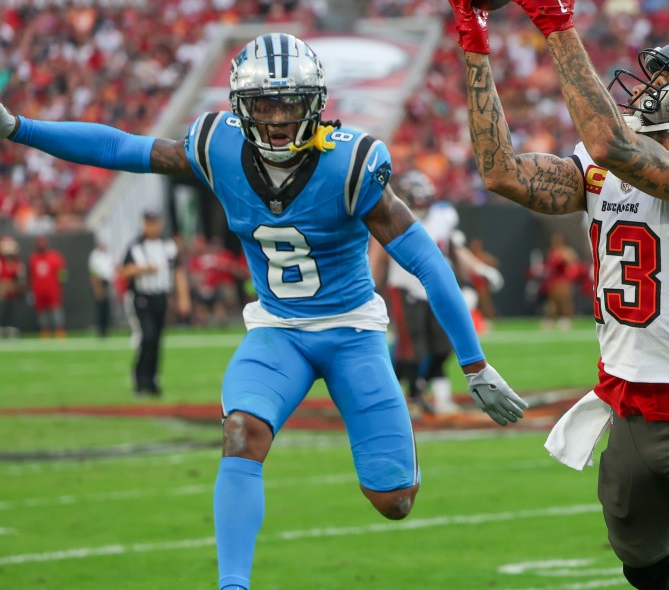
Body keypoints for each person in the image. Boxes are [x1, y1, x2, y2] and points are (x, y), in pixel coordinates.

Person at [0, 31, 526, 590]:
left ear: (317, 104)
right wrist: (17, 129)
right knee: (241, 430)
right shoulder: (215, 147)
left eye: (291, 102)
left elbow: (428, 262)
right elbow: (122, 148)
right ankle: (233, 585)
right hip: (278, 330)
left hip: (352, 331)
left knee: (393, 500)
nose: (277, 118)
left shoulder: (351, 163)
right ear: (240, 107)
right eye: (265, 104)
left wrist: (475, 364)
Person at [444, 0, 669, 589]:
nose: (645, 89)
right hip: (628, 412)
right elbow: (501, 172)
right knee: (645, 572)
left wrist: (558, 28)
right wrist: (474, 41)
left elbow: (613, 144)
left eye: (661, 83)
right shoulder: (602, 165)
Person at [383, 170, 462, 416]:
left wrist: (471, 277)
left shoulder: (444, 216)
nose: (419, 203)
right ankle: (407, 395)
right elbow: (376, 257)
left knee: (443, 346)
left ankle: (425, 391)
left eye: (422, 198)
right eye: (414, 199)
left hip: (435, 290)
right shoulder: (392, 216)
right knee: (412, 346)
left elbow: (455, 250)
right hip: (405, 287)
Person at [121, 211, 191, 396]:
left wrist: (183, 298)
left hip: (161, 297)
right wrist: (143, 269)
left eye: (155, 222)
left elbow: (178, 271)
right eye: (149, 223)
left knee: (157, 340)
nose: (152, 227)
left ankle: (152, 381)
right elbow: (123, 271)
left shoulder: (168, 245)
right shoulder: (135, 246)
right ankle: (140, 379)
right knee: (148, 336)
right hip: (142, 296)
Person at [27, 235, 67, 339]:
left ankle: (60, 333)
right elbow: (31, 275)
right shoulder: (33, 258)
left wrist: (61, 284)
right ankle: (45, 334)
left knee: (56, 311)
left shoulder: (55, 257)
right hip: (38, 290)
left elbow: (62, 273)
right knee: (42, 313)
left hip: (52, 289)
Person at [88, 239, 115, 338]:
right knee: (101, 307)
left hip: (107, 282)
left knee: (107, 307)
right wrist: (98, 288)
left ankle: (106, 329)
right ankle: (101, 330)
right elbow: (94, 273)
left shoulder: (107, 255)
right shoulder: (95, 255)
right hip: (100, 282)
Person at [0, 236, 24, 339]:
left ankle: (10, 329)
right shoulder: (1, 263)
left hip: (13, 294)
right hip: (2, 293)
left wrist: (15, 287)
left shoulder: (17, 264)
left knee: (10, 311)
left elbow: (20, 281)